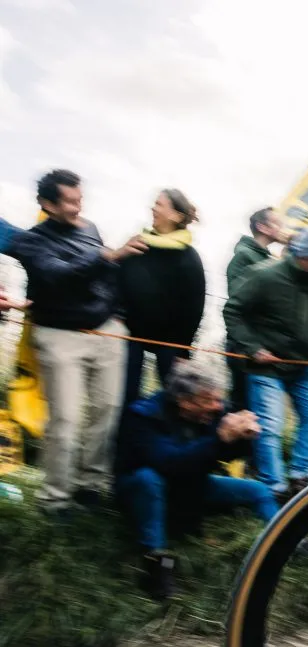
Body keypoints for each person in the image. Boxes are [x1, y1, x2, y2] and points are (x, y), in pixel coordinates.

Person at [6, 169, 147, 514]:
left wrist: (119, 314)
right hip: (59, 336)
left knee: (107, 412)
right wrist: (108, 256)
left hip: (107, 332)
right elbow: (58, 277)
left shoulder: (91, 229)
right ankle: (55, 498)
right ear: (46, 204)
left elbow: (107, 276)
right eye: (68, 202)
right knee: (66, 420)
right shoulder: (31, 241)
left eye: (79, 199)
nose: (76, 207)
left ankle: (91, 486)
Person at [113, 359, 277, 599]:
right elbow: (170, 464)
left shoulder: (211, 414)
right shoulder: (144, 416)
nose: (217, 406)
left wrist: (244, 438)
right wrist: (220, 439)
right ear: (184, 401)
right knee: (148, 478)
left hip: (191, 486)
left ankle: (286, 539)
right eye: (209, 400)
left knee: (257, 490)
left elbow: (222, 454)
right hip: (145, 490)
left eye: (219, 399)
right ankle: (156, 562)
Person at [223, 228, 308, 500]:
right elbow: (233, 311)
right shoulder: (264, 275)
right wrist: (253, 348)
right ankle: (273, 488)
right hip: (266, 366)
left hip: (304, 367)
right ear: (307, 255)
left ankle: (300, 478)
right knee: (271, 424)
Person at [117, 189, 206, 404]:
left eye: (159, 204)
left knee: (176, 400)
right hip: (131, 335)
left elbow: (195, 306)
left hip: (172, 341)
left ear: (175, 216)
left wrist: (184, 349)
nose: (153, 208)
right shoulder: (137, 245)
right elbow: (118, 281)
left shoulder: (189, 258)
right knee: (125, 396)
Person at [225, 207, 288, 411]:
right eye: (277, 224)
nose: (282, 229)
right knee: (242, 407)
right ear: (262, 227)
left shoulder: (268, 259)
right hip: (244, 346)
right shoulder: (244, 256)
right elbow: (238, 302)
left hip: (261, 345)